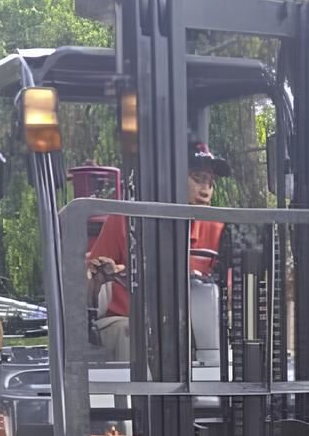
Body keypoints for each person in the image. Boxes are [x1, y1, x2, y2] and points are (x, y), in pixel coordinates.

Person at [87, 140, 231, 360]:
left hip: (192, 327)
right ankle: (137, 395)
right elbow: (91, 280)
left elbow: (229, 291)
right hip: (128, 321)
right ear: (170, 178)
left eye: (210, 182)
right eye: (198, 179)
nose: (206, 190)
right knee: (135, 335)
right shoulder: (124, 220)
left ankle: (215, 392)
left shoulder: (218, 228)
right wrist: (105, 272)